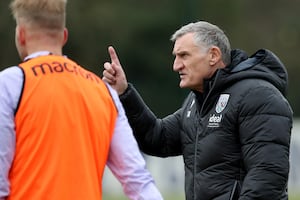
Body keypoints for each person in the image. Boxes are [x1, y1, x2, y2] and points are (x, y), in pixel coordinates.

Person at [102, 21, 293, 200]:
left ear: (213, 55)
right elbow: (157, 138)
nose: (176, 65)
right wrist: (124, 92)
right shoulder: (197, 101)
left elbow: (267, 176)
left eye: (184, 55)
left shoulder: (258, 95)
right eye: (176, 57)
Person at [0, 0, 164, 199]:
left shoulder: (9, 85)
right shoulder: (103, 92)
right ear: (64, 36)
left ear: (21, 35)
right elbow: (139, 182)